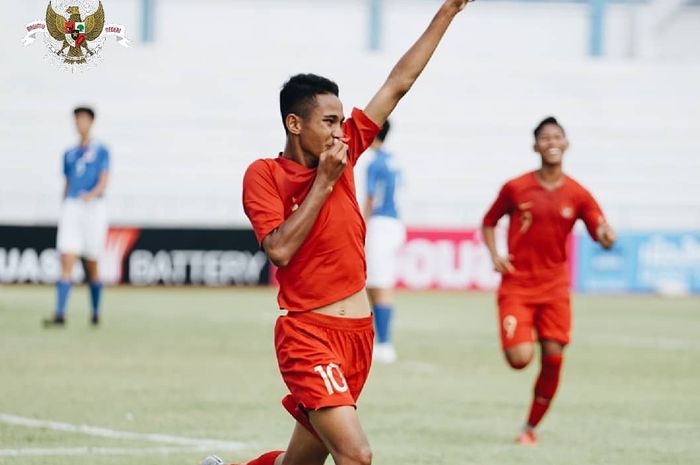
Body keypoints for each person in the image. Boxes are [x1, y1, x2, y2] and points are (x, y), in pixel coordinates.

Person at [201, 2, 472, 464]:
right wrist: (325, 181)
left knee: (300, 464)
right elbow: (280, 250)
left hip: (358, 337)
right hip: (308, 334)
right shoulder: (264, 175)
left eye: (340, 121)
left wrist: (448, 11)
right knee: (356, 454)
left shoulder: (344, 150)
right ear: (294, 124)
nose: (338, 131)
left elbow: (398, 84)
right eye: (328, 122)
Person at [481, 116, 616, 446]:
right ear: (535, 146)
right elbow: (489, 221)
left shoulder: (578, 194)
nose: (552, 142)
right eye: (545, 137)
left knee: (554, 357)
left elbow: (600, 228)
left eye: (557, 136)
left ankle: (529, 428)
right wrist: (495, 253)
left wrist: (606, 235)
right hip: (517, 285)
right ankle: (524, 338)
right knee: (520, 359)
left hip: (555, 288)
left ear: (566, 143)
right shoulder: (516, 188)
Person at [44, 106, 110, 327]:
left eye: (83, 119)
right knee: (67, 258)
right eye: (77, 119)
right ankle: (60, 314)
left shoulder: (102, 151)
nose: (79, 123)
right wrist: (65, 204)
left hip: (93, 208)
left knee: (91, 263)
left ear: (91, 122)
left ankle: (95, 312)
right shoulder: (68, 153)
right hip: (72, 207)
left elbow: (103, 180)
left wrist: (91, 196)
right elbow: (67, 181)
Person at [362, 120, 406, 364]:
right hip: (395, 223)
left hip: (380, 223)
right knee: (375, 280)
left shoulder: (375, 162)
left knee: (379, 282)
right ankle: (379, 339)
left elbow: (371, 196)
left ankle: (385, 343)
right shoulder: (394, 160)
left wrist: (362, 225)